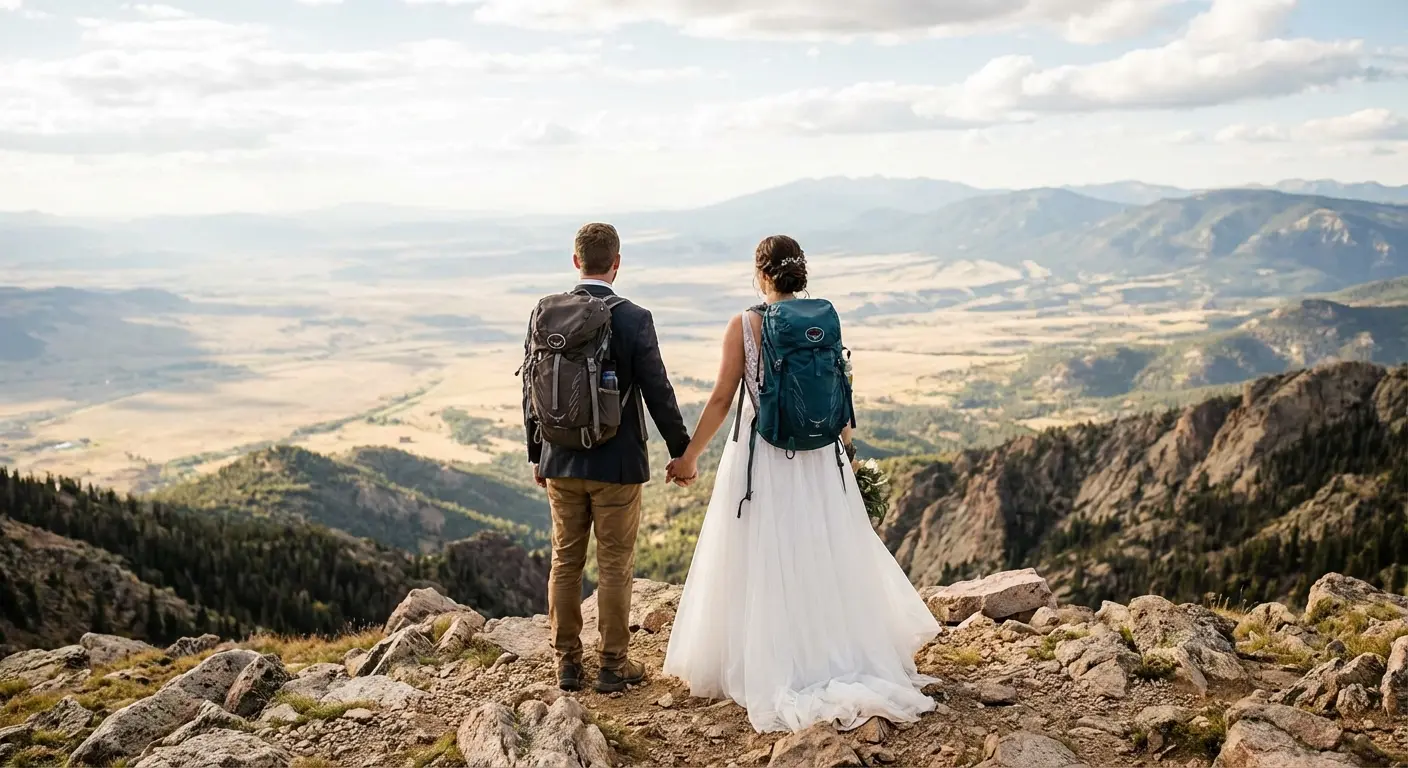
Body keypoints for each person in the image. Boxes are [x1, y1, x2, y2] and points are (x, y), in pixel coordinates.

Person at [662, 235, 940, 733]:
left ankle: (771, 660)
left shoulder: (745, 324)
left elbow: (724, 400)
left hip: (765, 452)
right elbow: (840, 387)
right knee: (821, 550)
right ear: (801, 274)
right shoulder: (824, 318)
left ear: (760, 274)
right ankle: (838, 654)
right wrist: (848, 453)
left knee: (765, 552)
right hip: (821, 455)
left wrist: (688, 456)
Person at [523, 222, 692, 694]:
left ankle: (567, 665)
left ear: (576, 261)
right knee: (615, 565)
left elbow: (529, 389)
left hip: (560, 461)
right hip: (617, 465)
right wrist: (682, 452)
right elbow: (659, 391)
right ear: (617, 263)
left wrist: (539, 451)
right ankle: (613, 665)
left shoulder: (544, 313)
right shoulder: (634, 318)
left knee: (565, 561)